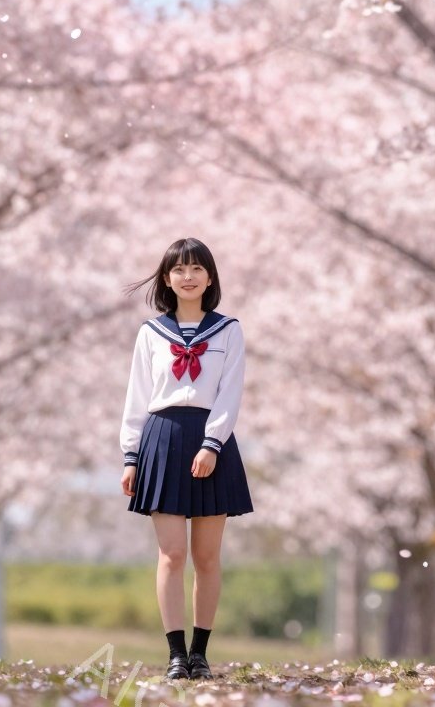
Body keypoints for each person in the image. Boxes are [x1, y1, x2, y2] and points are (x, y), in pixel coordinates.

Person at [120, 236, 253, 682]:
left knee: (207, 556)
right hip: (161, 440)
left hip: (211, 441)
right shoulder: (150, 333)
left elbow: (230, 393)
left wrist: (212, 445)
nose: (188, 277)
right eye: (179, 270)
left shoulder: (229, 330)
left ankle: (200, 652)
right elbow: (138, 396)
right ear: (166, 278)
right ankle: (175, 654)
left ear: (210, 277)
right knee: (171, 554)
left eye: (197, 269)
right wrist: (130, 456)